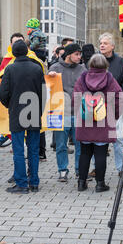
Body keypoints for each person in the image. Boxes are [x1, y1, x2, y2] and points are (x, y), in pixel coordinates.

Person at [0, 40, 45, 194]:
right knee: (33, 149)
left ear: (13, 53)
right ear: (27, 51)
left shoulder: (10, 69)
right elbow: (44, 93)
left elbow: (3, 94)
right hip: (33, 111)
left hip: (17, 112)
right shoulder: (37, 69)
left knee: (18, 150)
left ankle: (21, 184)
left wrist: (10, 106)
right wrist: (40, 109)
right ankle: (34, 183)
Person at [74, 53, 123, 192]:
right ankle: (100, 184)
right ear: (105, 65)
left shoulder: (83, 78)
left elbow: (75, 98)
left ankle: (81, 183)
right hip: (104, 121)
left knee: (85, 153)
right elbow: (118, 99)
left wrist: (80, 114)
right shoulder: (110, 79)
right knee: (101, 153)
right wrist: (114, 116)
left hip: (85, 122)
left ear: (91, 64)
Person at [48, 43, 87, 181]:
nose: (79, 57)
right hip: (60, 113)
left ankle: (79, 170)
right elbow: (47, 88)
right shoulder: (55, 68)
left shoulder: (82, 69)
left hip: (78, 112)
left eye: (80, 54)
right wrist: (50, 77)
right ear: (69, 54)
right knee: (61, 145)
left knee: (80, 144)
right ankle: (62, 170)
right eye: (76, 54)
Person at [98, 32, 123, 178]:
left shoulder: (120, 61)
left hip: (115, 103)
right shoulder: (95, 60)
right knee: (96, 138)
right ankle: (95, 168)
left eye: (105, 43)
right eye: (101, 43)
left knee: (119, 138)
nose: (102, 45)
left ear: (112, 46)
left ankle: (122, 168)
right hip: (97, 105)